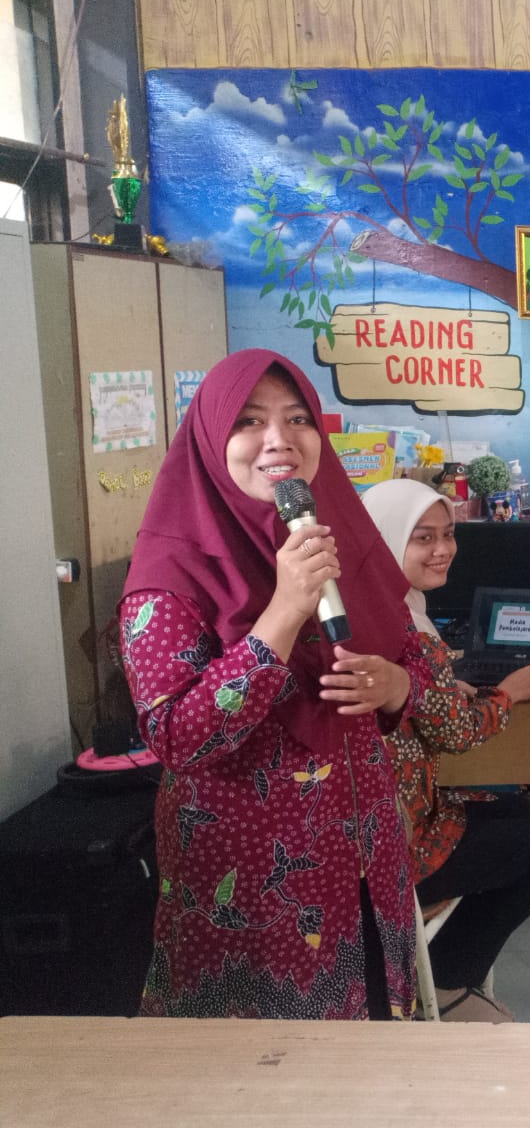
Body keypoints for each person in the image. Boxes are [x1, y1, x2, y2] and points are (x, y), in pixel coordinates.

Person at [120, 350, 429, 1019]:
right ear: (211, 440)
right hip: (250, 883)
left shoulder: (342, 536)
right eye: (249, 421)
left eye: (297, 419)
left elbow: (420, 661)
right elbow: (177, 737)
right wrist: (284, 611)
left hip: (366, 859)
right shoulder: (167, 577)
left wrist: (397, 685)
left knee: (371, 1053)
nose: (278, 440)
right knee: (259, 1066)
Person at [362, 477, 530, 1023]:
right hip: (396, 846)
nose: (443, 549)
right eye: (423, 537)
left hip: (402, 817)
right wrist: (510, 692)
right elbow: (455, 733)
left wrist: (443, 685)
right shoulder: (402, 628)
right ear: (383, 540)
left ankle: (436, 974)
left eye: (449, 534)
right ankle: (448, 983)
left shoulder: (380, 608)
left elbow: (419, 703)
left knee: (518, 810)